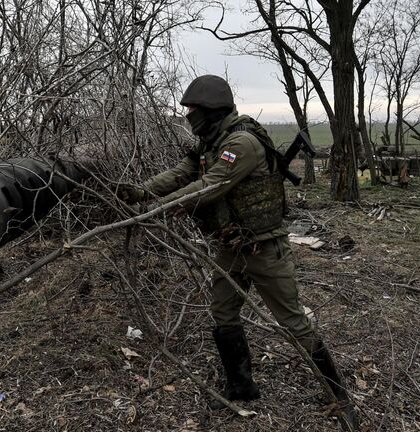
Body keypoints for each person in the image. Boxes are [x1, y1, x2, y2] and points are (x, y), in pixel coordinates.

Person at [118, 75, 359, 429]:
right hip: (231, 247)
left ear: (211, 110)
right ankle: (240, 386)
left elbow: (211, 186)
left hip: (264, 249)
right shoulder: (211, 143)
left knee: (293, 322)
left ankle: (338, 396)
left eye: (193, 111)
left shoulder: (241, 143)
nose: (189, 117)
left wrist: (157, 210)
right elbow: (182, 173)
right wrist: (140, 192)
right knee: (223, 312)